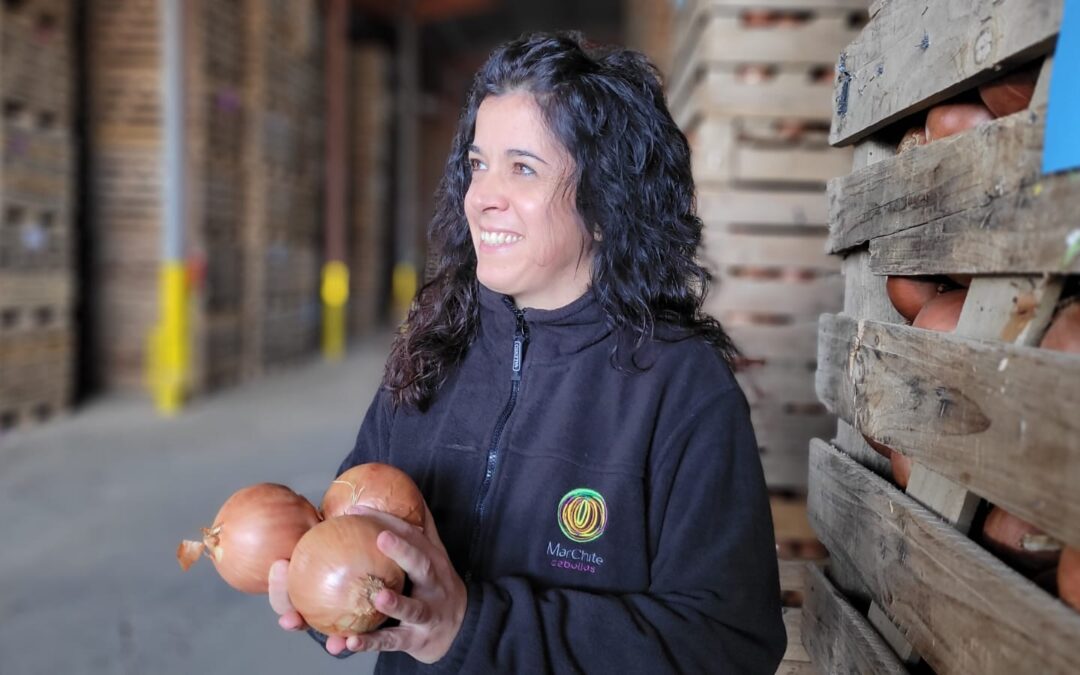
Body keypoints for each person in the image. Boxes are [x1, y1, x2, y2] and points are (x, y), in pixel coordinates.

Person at [268, 31, 786, 674]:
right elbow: (353, 543)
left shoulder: (682, 388)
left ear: (605, 201)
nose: (482, 195)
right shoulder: (435, 348)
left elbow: (728, 642)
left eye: (523, 168)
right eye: (479, 164)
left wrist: (471, 625)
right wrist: (328, 598)